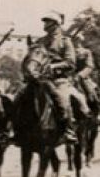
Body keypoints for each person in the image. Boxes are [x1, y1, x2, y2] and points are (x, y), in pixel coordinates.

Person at [35, 11, 89, 143]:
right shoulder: (40, 41)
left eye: (48, 22)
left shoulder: (65, 42)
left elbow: (70, 63)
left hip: (59, 80)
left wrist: (54, 66)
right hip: (40, 79)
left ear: (55, 24)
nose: (45, 24)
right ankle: (12, 130)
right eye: (45, 22)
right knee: (19, 97)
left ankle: (68, 130)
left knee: (63, 100)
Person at [72, 34, 100, 107]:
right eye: (74, 39)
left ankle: (95, 107)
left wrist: (80, 75)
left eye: (77, 39)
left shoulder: (86, 51)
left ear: (80, 40)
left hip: (82, 76)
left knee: (89, 91)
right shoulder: (69, 52)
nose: (76, 41)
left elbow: (89, 66)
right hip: (69, 76)